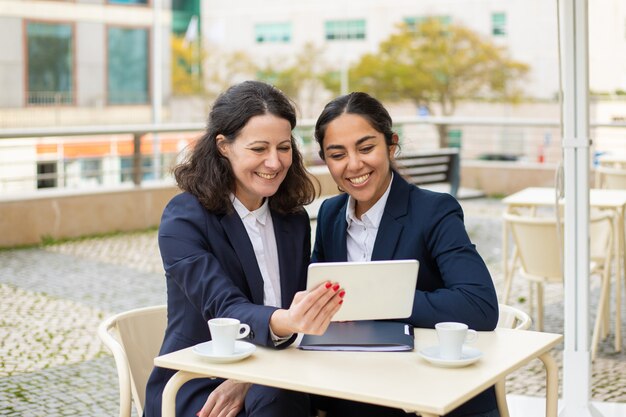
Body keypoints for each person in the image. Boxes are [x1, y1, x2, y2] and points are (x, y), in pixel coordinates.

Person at [144, 81, 344, 417]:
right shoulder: (185, 218)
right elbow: (224, 307)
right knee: (281, 397)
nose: (274, 162)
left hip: (278, 373)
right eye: (258, 149)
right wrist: (288, 324)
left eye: (283, 147)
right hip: (201, 381)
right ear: (224, 146)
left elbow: (296, 326)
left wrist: (252, 377)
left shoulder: (292, 220)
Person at [311, 92, 499, 417]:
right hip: (356, 383)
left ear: (391, 145)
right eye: (337, 154)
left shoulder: (434, 210)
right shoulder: (329, 214)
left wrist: (374, 301)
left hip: (431, 390)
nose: (354, 164)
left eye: (366, 148)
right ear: (325, 160)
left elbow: (479, 305)